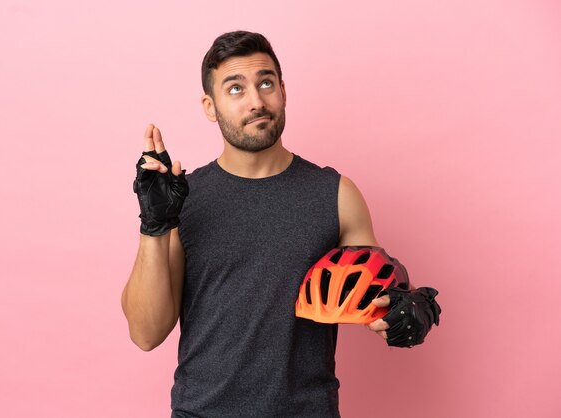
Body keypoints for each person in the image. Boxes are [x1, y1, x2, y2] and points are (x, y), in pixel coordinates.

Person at [122, 31, 440, 418]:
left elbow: (377, 292)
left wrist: (411, 308)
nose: (256, 101)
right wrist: (154, 225)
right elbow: (145, 333)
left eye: (266, 83)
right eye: (236, 88)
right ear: (210, 106)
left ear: (283, 91)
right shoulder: (184, 199)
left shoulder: (336, 194)